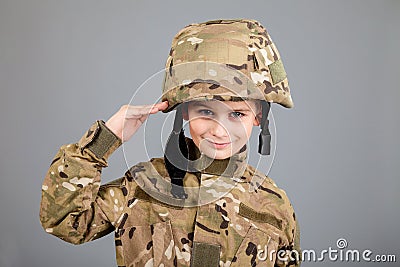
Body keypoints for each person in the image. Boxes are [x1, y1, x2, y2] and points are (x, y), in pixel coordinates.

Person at [40, 19, 301, 267]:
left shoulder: (275, 207)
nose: (220, 131)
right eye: (206, 112)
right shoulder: (143, 185)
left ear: (258, 117)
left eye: (237, 114)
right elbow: (63, 221)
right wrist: (104, 140)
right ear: (184, 112)